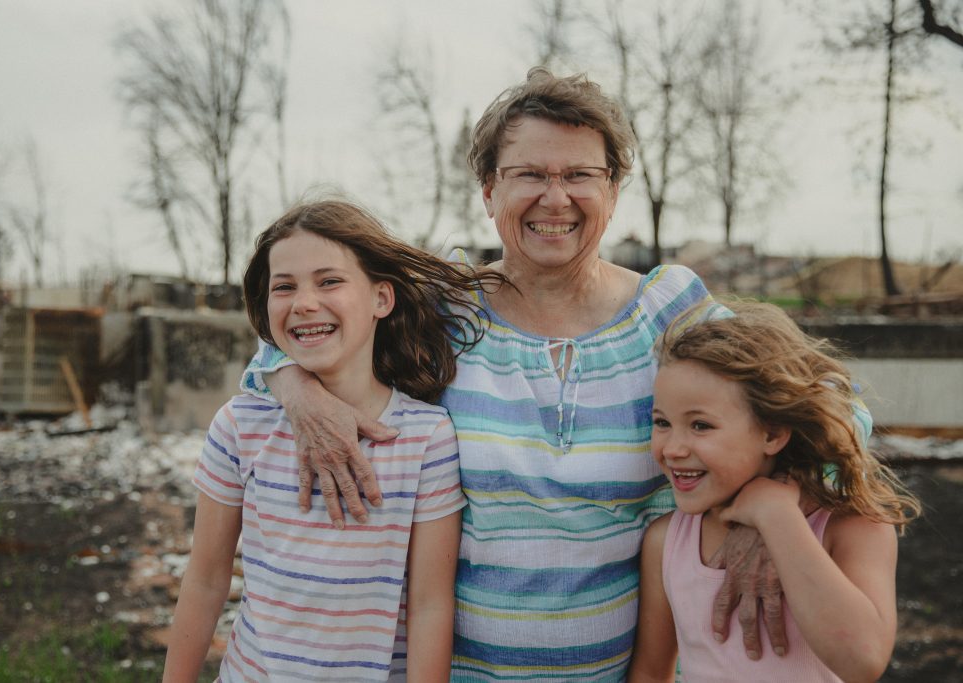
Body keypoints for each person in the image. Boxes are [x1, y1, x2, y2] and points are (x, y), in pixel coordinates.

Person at [240, 68, 846, 679]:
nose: (555, 199)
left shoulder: (669, 315)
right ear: (487, 190)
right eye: (528, 174)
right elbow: (294, 339)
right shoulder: (442, 307)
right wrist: (297, 390)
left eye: (580, 175)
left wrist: (775, 501)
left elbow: (831, 406)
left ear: (612, 190)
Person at [163, 199, 504, 681]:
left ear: (381, 299)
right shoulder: (240, 425)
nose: (303, 302)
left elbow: (429, 605)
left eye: (329, 281)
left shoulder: (426, 438)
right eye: (284, 287)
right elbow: (205, 579)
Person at [628, 301, 919, 683]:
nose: (672, 448)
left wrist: (775, 515)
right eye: (662, 422)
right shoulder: (665, 542)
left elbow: (862, 660)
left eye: (700, 425)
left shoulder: (852, 528)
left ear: (773, 433)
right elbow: (651, 673)